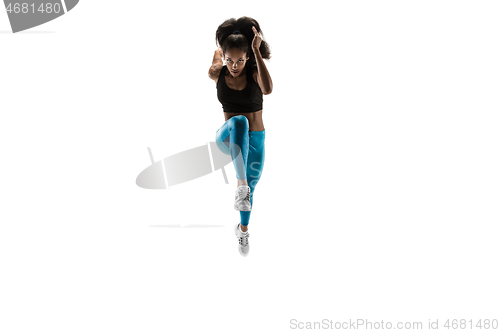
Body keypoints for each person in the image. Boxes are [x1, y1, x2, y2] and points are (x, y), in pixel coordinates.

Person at [208, 16, 273, 256]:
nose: (234, 66)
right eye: (230, 60)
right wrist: (224, 44)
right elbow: (216, 60)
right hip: (227, 139)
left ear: (248, 58)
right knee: (240, 122)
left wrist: (255, 51)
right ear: (224, 57)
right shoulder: (218, 71)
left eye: (240, 60)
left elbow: (268, 89)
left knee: (249, 194)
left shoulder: (255, 72)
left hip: (256, 141)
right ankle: (240, 184)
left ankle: (242, 230)